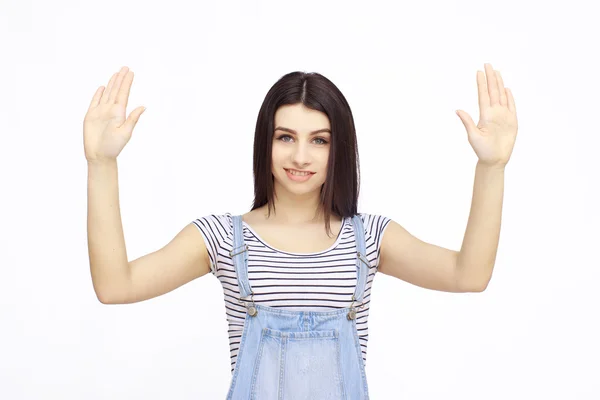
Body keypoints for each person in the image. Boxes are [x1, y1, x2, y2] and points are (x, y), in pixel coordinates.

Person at [84, 64, 518, 399]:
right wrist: (102, 164)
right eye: (286, 136)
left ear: (338, 148)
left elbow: (469, 275)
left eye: (320, 140)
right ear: (265, 143)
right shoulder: (222, 238)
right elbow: (116, 285)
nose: (301, 155)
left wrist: (492, 167)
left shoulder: (367, 240)